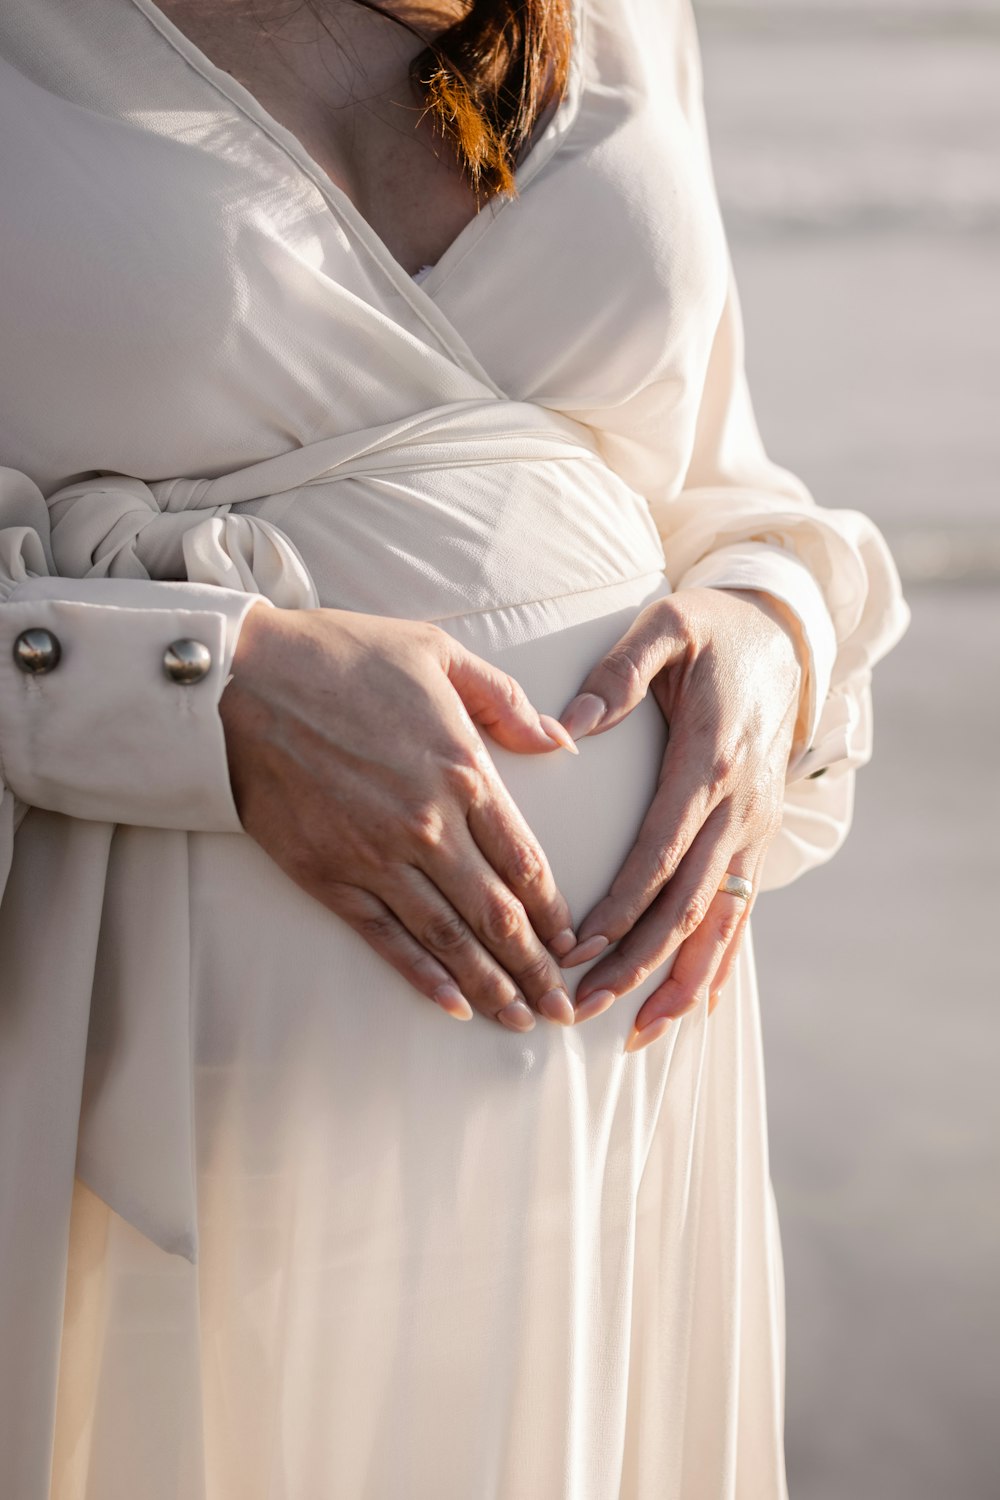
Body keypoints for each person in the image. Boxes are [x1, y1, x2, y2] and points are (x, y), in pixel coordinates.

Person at [0, 0, 909, 1495]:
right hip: (163, 1125)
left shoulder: (614, 19)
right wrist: (208, 696)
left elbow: (710, 478)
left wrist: (774, 633)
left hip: (619, 1101)